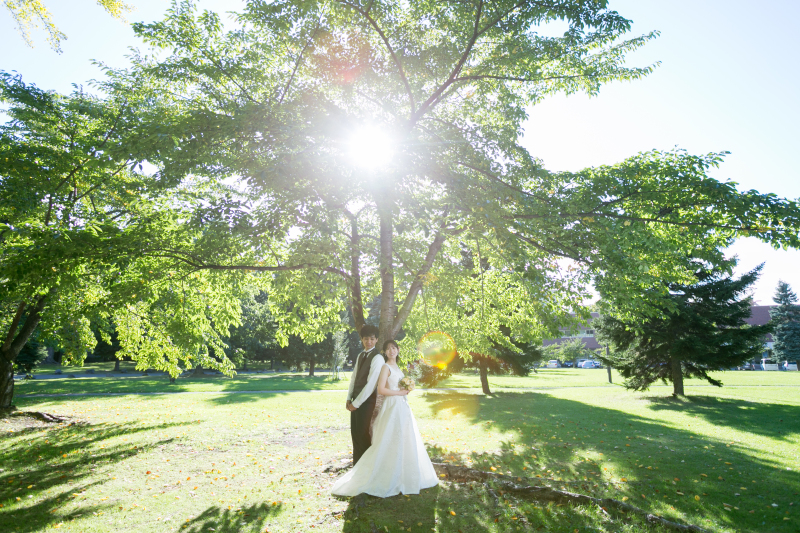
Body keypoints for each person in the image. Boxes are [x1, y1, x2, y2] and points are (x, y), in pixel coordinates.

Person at [332, 340, 438, 497]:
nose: (391, 351)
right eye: (388, 349)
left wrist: (406, 389)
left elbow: (397, 386)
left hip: (402, 406)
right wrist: (399, 393)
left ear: (398, 350)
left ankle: (403, 475)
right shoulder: (385, 367)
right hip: (391, 406)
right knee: (389, 439)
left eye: (394, 348)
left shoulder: (398, 368)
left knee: (403, 439)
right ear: (385, 352)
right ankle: (386, 475)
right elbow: (381, 389)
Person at [346, 324, 385, 464]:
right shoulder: (360, 355)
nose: (369, 341)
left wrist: (356, 404)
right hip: (355, 401)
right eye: (366, 338)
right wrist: (349, 398)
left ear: (376, 340)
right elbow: (354, 378)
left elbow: (371, 385)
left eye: (372, 339)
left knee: (364, 437)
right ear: (362, 339)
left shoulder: (377, 358)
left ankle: (367, 470)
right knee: (355, 436)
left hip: (367, 403)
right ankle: (357, 469)